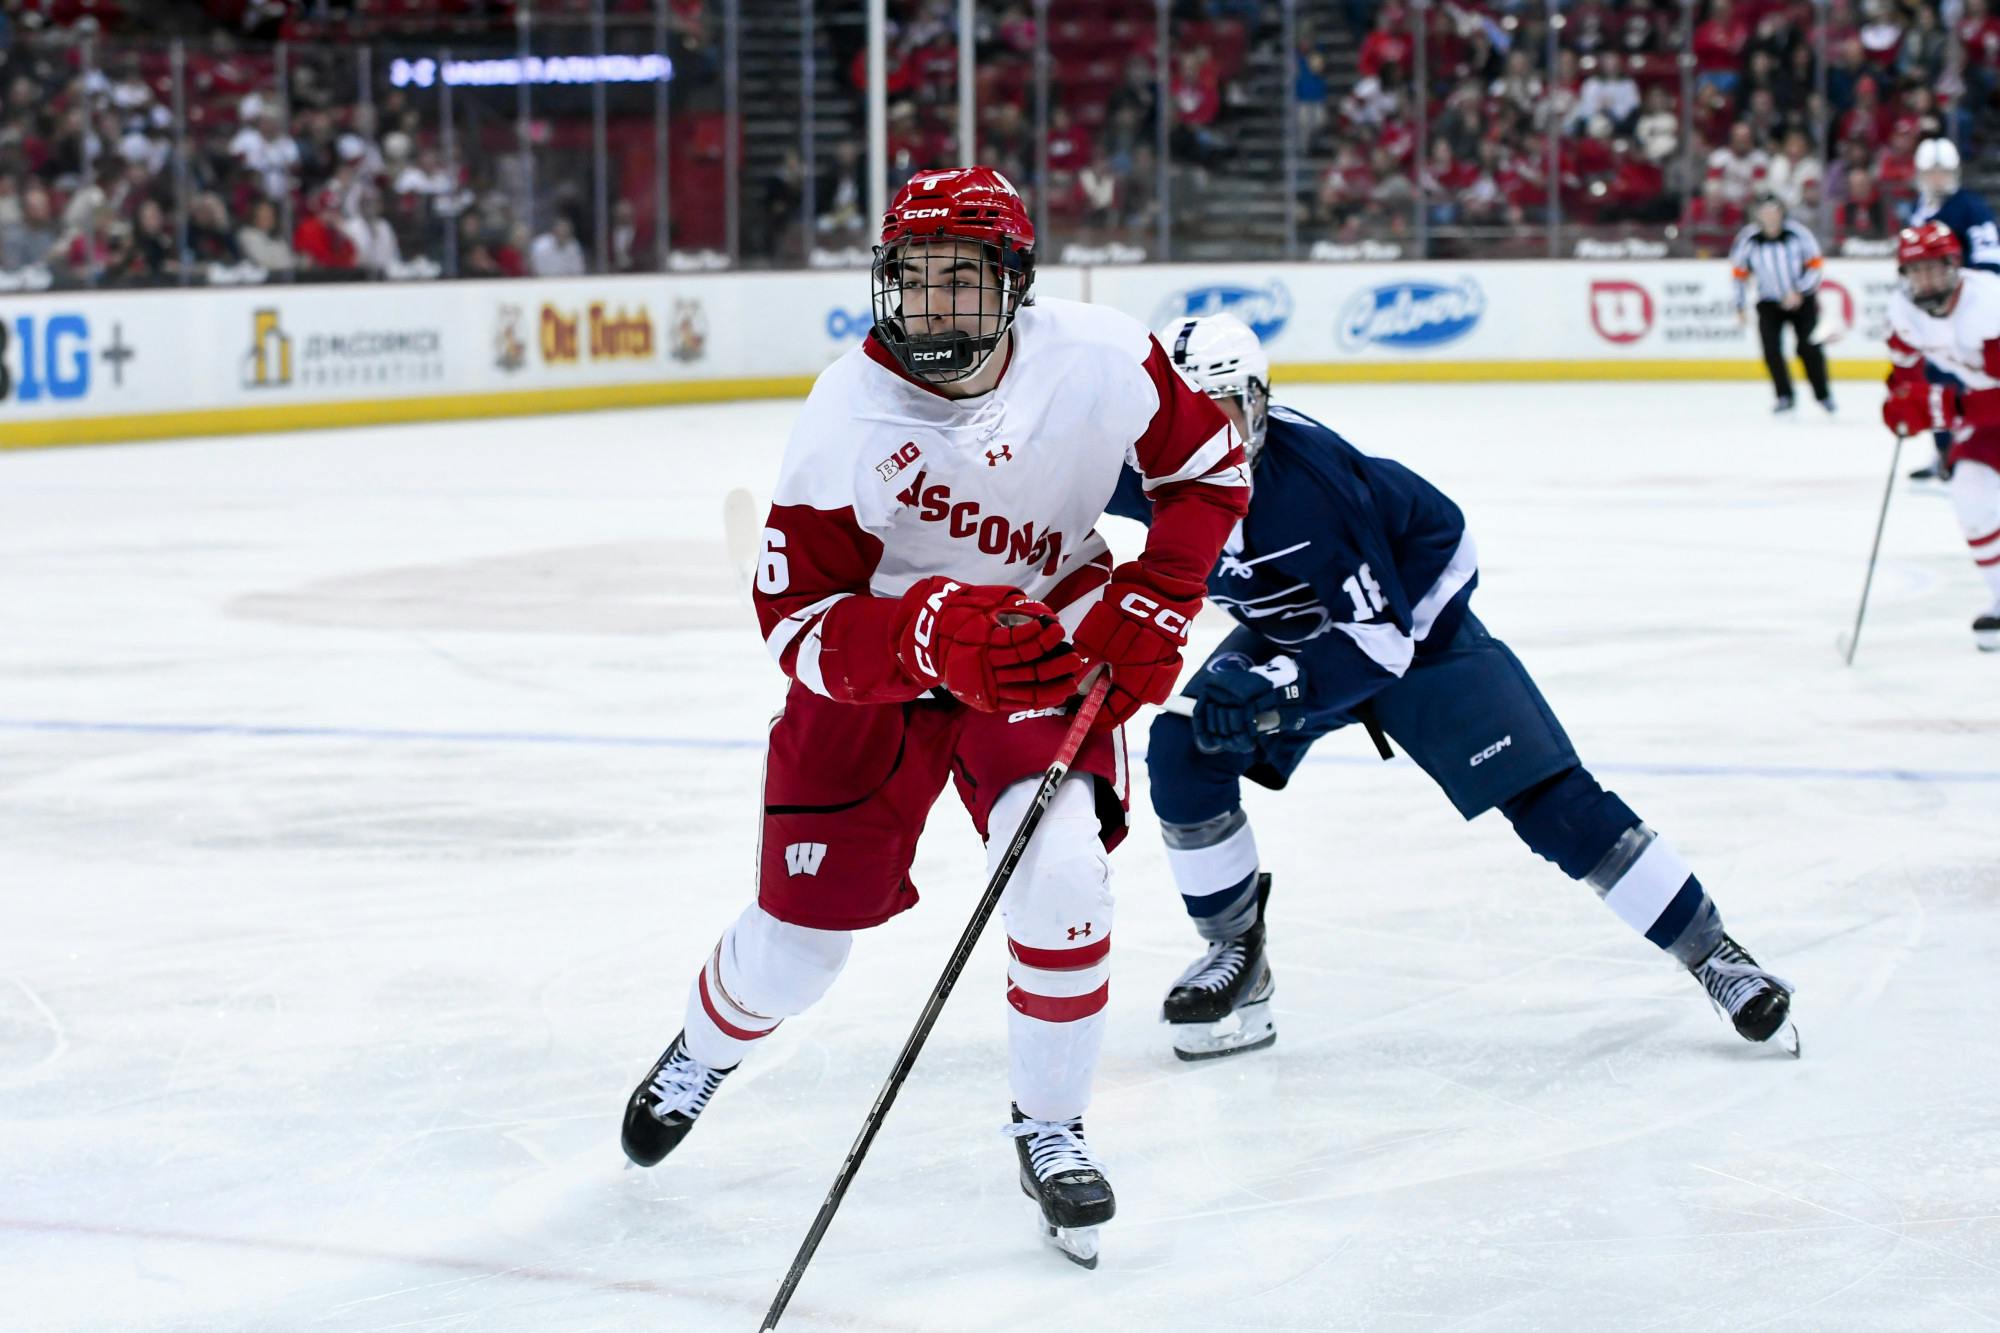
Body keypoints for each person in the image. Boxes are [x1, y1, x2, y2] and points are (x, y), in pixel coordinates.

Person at [617, 166, 1248, 1266]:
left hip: (1045, 643)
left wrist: (1158, 592)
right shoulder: (845, 417)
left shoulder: (1101, 357)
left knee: (1058, 877)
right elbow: (796, 625)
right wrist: (922, 635)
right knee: (793, 960)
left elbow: (1204, 468)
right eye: (909, 282)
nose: (930, 309)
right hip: (881, 687)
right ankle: (703, 1048)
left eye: (958, 282)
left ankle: (1048, 1128)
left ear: (1015, 284)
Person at [1107, 313, 1799, 1065]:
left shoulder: (1312, 490)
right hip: (1301, 620)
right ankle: (1237, 957)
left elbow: (1379, 644)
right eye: (1178, 418)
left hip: (1417, 628)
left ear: (1259, 402)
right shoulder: (1143, 470)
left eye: (1220, 413)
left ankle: (1715, 954)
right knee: (1183, 746)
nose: (1200, 440)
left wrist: (1278, 680)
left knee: (1549, 801)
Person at [1879, 222, 2000, 650]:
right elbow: (1904, 368)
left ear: (1954, 265)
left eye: (1933, 269)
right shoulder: (1905, 311)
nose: (1924, 280)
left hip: (1988, 404)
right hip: (1988, 411)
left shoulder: (1988, 303)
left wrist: (1946, 407)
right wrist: (1900, 401)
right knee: (1969, 493)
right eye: (1915, 272)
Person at [1905, 138, 2000, 482]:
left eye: (1943, 172)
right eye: (1931, 172)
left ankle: (1970, 455)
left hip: (1966, 313)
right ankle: (1944, 453)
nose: (1937, 179)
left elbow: (1990, 263)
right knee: (1936, 382)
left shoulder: (1970, 208)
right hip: (1935, 312)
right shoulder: (1921, 208)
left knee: (1973, 382)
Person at [1729, 193, 1834, 415]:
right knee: (1771, 350)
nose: (1770, 216)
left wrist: (1801, 291)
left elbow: (1815, 264)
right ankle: (1784, 395)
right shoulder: (1749, 239)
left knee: (1809, 348)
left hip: (1801, 302)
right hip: (1769, 303)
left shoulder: (1798, 234)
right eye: (1764, 211)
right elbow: (1739, 274)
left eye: (1773, 210)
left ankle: (1823, 395)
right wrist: (1739, 306)